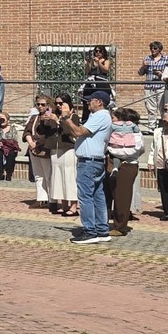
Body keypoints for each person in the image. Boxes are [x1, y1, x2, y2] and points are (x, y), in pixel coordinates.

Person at [61, 90, 113, 244]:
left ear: (99, 102)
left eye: (91, 100)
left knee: (86, 196)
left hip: (89, 162)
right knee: (98, 195)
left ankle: (90, 231)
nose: (88, 102)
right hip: (94, 161)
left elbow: (78, 132)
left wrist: (66, 118)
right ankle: (102, 230)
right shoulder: (99, 116)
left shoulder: (100, 115)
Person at [105, 107, 144, 237]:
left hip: (127, 165)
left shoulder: (134, 133)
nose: (112, 120)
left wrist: (114, 151)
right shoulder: (113, 130)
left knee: (122, 197)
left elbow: (137, 149)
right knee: (110, 194)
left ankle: (120, 226)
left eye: (114, 118)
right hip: (112, 164)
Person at [48, 94, 79, 216]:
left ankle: (74, 206)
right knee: (58, 177)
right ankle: (64, 204)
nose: (58, 106)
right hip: (56, 149)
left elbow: (70, 132)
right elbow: (48, 131)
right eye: (57, 103)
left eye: (61, 103)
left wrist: (59, 121)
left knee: (69, 176)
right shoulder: (55, 115)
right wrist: (48, 120)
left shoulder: (73, 116)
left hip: (68, 149)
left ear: (67, 103)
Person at [24, 95, 57, 207]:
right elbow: (27, 131)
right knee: (38, 174)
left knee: (48, 175)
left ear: (48, 105)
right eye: (38, 104)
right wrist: (30, 142)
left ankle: (52, 199)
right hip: (33, 149)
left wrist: (48, 115)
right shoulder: (34, 117)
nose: (40, 106)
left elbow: (48, 132)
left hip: (44, 149)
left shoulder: (51, 117)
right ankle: (40, 198)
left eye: (43, 104)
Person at [138, 41, 168, 127]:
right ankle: (152, 126)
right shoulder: (146, 59)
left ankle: (164, 126)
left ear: (160, 49)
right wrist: (144, 67)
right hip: (149, 86)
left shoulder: (166, 59)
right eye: (151, 48)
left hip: (161, 86)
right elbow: (140, 73)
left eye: (155, 48)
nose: (152, 50)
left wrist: (161, 74)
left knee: (162, 107)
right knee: (150, 108)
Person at [0, 110, 19, 182]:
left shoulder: (12, 129)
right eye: (0, 120)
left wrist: (5, 143)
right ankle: (0, 173)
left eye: (3, 120)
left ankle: (9, 174)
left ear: (8, 121)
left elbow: (14, 140)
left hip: (9, 148)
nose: (2, 121)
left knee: (11, 154)